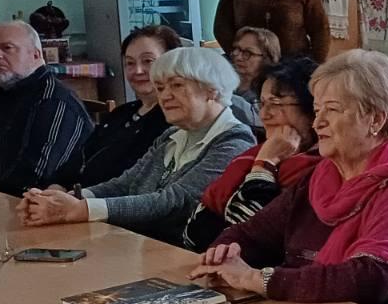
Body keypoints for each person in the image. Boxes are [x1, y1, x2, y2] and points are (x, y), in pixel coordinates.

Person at [189, 50, 388, 304]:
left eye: (332, 110)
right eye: (317, 110)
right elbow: (251, 233)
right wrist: (224, 254)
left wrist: (257, 279)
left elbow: (370, 278)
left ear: (375, 119)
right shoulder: (321, 176)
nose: (318, 123)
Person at [19, 48, 253, 244]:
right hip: (141, 246)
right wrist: (61, 199)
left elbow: (175, 202)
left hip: (182, 258)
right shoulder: (172, 135)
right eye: (160, 88)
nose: (165, 96)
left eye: (177, 85)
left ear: (212, 91)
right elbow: (125, 183)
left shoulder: (234, 142)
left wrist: (80, 209)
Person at [180, 57, 320, 251]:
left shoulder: (318, 168)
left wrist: (265, 164)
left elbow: (245, 239)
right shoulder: (250, 156)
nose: (264, 115)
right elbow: (193, 233)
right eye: (262, 104)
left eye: (275, 103)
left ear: (311, 109)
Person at [0, 21, 91, 195]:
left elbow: (31, 179)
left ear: (35, 54)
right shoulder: (0, 95)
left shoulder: (53, 101)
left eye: (7, 48)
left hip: (18, 203)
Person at [53, 25, 181, 190]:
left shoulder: (174, 121)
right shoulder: (121, 113)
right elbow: (81, 157)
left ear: (173, 62)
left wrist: (78, 199)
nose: (138, 71)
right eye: (130, 63)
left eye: (148, 61)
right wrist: (56, 187)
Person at [227, 25, 280, 133]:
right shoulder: (226, 79)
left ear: (267, 58)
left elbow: (259, 122)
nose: (238, 57)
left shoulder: (271, 91)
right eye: (237, 49)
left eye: (248, 53)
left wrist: (223, 97)